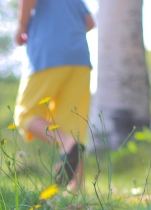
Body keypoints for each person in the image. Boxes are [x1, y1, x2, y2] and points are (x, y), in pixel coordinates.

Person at [13, 0, 95, 191]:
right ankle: (76, 190)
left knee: (25, 115)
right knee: (73, 126)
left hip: (47, 55)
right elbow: (89, 22)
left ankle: (66, 142)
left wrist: (21, 26)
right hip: (80, 58)